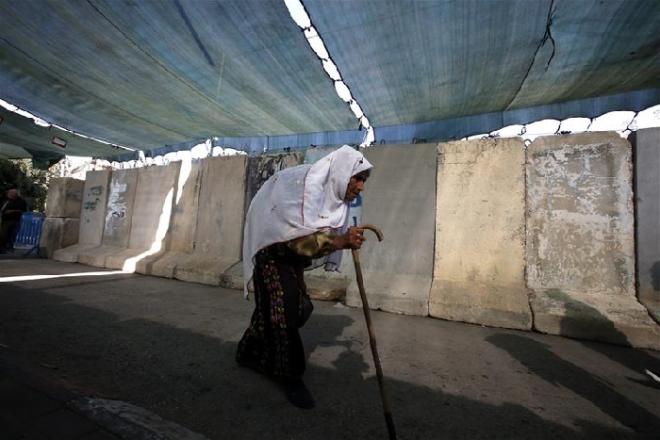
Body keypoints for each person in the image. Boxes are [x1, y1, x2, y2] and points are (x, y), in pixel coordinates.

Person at [237, 145, 372, 409]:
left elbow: (309, 236)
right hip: (271, 253)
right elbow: (294, 240)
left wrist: (339, 240)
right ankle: (289, 375)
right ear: (342, 173)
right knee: (284, 313)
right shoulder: (306, 188)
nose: (361, 187)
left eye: (364, 180)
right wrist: (340, 241)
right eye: (358, 178)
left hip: (291, 257)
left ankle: (248, 350)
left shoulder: (332, 195)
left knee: (298, 308)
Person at [0, 188, 28, 252]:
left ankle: (9, 247)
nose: (8, 194)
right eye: (8, 193)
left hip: (14, 219)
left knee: (12, 234)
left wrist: (12, 211)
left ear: (15, 194)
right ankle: (3, 247)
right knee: (4, 234)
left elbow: (23, 210)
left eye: (10, 193)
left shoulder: (21, 201)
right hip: (4, 219)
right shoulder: (6, 199)